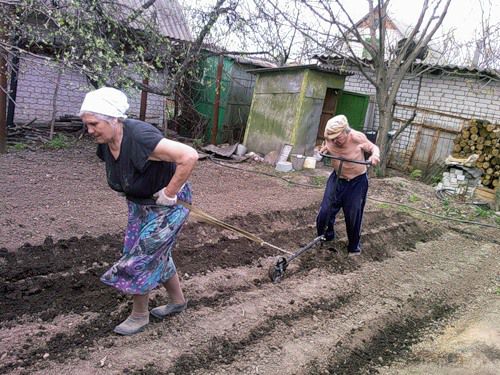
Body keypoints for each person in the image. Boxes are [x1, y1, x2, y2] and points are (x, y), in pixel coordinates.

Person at [79, 87, 198, 335]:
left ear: (114, 118)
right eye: (86, 124)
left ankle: (140, 315)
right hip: (140, 204)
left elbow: (189, 156)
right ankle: (177, 302)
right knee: (153, 254)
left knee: (140, 256)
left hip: (169, 205)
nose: (89, 130)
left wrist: (170, 192)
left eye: (93, 123)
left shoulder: (141, 136)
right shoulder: (106, 140)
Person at [316, 115, 380, 256]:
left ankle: (353, 247)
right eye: (331, 138)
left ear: (346, 131)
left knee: (353, 214)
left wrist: (374, 156)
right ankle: (327, 235)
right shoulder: (330, 139)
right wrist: (323, 151)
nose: (334, 141)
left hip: (357, 182)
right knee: (325, 211)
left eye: (337, 137)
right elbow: (325, 147)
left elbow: (374, 148)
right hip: (337, 178)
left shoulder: (357, 137)